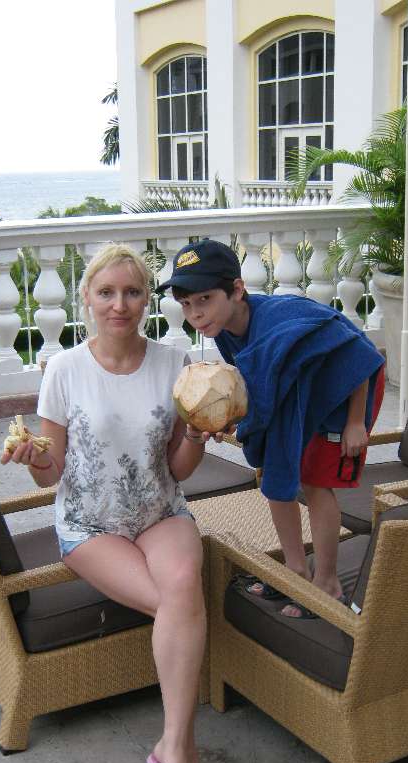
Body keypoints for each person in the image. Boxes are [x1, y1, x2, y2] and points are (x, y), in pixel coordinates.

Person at [1, 243, 215, 763]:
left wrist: (199, 433)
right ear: (87, 299)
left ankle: (174, 747)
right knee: (184, 605)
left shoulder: (174, 364)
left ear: (147, 300)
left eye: (132, 292)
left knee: (181, 587)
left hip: (161, 512)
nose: (120, 304)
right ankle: (183, 753)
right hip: (90, 524)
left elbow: (177, 469)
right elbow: (51, 472)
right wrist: (32, 459)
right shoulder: (65, 370)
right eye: (107, 292)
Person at [159, 238, 386, 618]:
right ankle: (295, 570)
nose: (195, 314)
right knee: (276, 476)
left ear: (237, 290)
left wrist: (354, 422)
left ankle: (327, 584)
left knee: (314, 483)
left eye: (205, 299)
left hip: (341, 395)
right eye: (186, 304)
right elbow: (259, 380)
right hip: (297, 393)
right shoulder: (225, 327)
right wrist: (229, 417)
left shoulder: (284, 318)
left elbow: (362, 353)